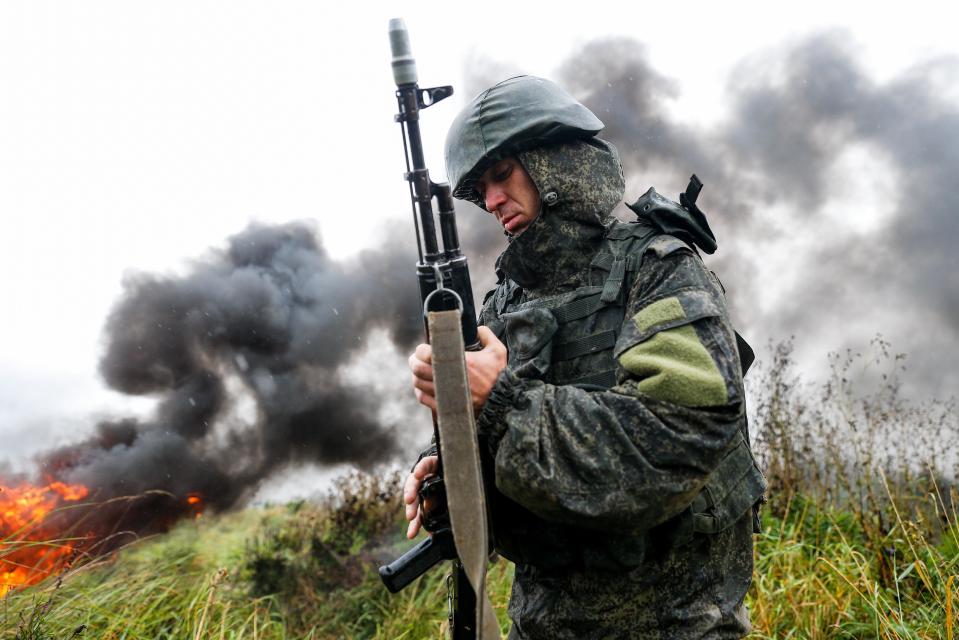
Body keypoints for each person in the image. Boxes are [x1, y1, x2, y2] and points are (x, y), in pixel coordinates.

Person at [405, 75, 766, 639]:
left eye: (502, 174)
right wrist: (450, 457)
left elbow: (674, 440)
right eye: (481, 190)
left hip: (676, 626)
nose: (493, 201)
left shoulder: (659, 268)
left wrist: (498, 400)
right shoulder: (507, 300)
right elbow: (507, 439)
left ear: (554, 160)